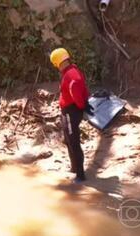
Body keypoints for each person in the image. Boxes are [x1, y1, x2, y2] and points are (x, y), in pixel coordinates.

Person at [50, 48, 94, 183]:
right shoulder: (70, 72)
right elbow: (83, 89)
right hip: (69, 111)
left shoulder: (71, 75)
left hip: (71, 112)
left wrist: (82, 106)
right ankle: (74, 168)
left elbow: (76, 90)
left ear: (58, 62)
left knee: (74, 142)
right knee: (69, 140)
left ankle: (80, 175)